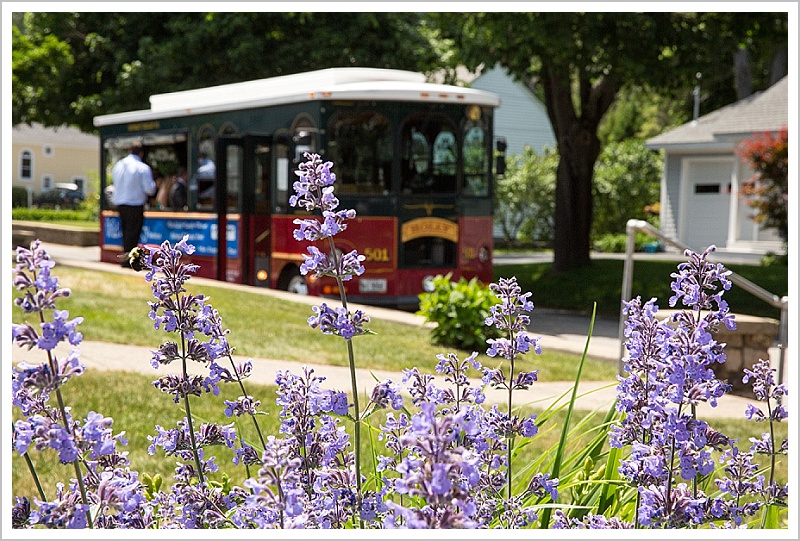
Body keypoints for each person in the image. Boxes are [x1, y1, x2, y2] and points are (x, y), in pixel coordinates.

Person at [111, 142, 156, 267]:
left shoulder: (118, 165)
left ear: (130, 150)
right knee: (133, 234)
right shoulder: (142, 168)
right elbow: (149, 189)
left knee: (126, 233)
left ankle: (127, 259)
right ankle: (129, 261)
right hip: (135, 204)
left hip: (121, 204)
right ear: (141, 153)